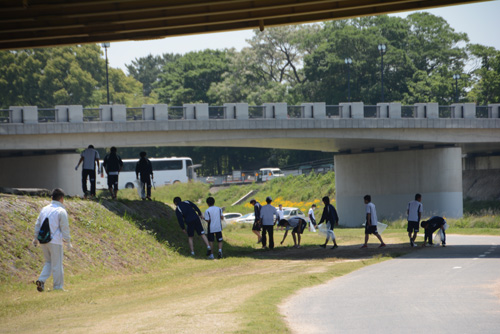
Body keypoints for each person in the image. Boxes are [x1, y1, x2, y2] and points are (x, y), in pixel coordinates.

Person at [32, 188, 71, 292]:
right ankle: (58, 287)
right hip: (55, 241)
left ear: (51, 198)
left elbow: (37, 224)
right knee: (57, 264)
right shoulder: (61, 211)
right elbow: (64, 228)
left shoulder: (44, 209)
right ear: (62, 198)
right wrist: (68, 242)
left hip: (43, 240)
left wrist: (35, 238)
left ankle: (41, 280)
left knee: (48, 262)